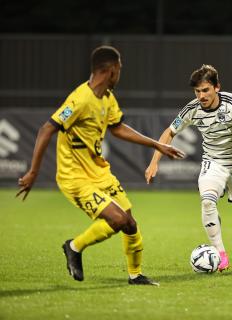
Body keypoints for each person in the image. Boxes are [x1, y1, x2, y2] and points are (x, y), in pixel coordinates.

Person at [16, 45, 185, 285]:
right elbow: (46, 129)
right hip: (75, 178)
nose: (120, 73)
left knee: (129, 224)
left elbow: (117, 128)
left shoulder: (107, 98)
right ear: (111, 69)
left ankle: (135, 276)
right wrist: (33, 171)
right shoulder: (79, 100)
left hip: (99, 173)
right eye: (120, 69)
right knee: (117, 220)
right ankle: (74, 247)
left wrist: (156, 145)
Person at [145, 65, 232, 272]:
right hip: (213, 162)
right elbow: (169, 133)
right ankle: (220, 254)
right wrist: (154, 162)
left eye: (206, 90)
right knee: (207, 202)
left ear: (217, 87)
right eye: (197, 91)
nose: (201, 95)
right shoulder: (192, 109)